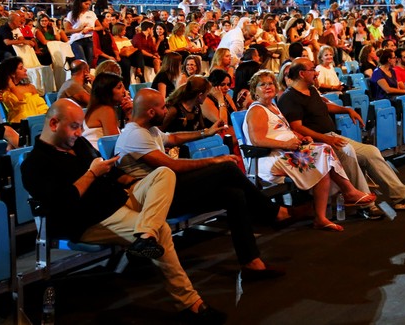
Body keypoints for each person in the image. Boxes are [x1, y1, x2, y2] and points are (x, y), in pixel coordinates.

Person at [20, 99, 227, 322]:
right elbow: (63, 203)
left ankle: (144, 235)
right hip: (91, 219)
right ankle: (191, 303)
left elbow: (110, 172)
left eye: (81, 126)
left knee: (164, 173)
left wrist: (131, 181)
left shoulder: (77, 144)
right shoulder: (34, 164)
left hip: (119, 198)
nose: (80, 132)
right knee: (163, 230)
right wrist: (92, 174)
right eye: (74, 126)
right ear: (53, 123)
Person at [115, 88, 301, 281]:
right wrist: (215, 160)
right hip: (158, 201)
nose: (167, 110)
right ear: (151, 112)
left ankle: (251, 263)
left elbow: (174, 138)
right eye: (163, 107)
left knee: (233, 195)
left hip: (170, 190)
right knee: (226, 169)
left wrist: (206, 132)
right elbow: (172, 166)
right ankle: (274, 213)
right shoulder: (134, 136)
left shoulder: (149, 130)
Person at [278, 58, 405, 212]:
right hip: (317, 143)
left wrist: (347, 109)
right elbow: (296, 127)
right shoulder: (289, 97)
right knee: (348, 153)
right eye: (313, 69)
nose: (316, 73)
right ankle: (366, 205)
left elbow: (324, 106)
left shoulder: (311, 90)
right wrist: (326, 138)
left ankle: (402, 197)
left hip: (331, 137)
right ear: (302, 73)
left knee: (371, 152)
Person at [243, 70, 375, 232]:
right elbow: (257, 140)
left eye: (270, 83)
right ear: (254, 90)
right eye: (262, 85)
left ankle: (322, 216)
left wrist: (301, 137)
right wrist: (286, 145)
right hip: (270, 158)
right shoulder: (257, 109)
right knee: (324, 152)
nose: (268, 87)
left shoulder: (273, 107)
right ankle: (349, 192)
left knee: (323, 156)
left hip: (287, 152)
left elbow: (283, 131)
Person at [0, 56, 49, 124]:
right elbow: (20, 101)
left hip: (37, 120)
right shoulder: (5, 92)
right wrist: (12, 85)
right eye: (21, 68)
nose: (25, 70)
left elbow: (40, 105)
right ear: (12, 73)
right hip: (19, 123)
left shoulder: (30, 87)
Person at [82, 71, 133, 148]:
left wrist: (128, 114)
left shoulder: (101, 108)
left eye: (123, 86)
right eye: (119, 87)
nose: (124, 91)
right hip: (98, 157)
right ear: (107, 92)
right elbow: (117, 144)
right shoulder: (105, 110)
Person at [65, 0, 102, 65]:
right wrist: (80, 29)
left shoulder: (91, 14)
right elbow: (67, 30)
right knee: (82, 62)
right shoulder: (72, 14)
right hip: (77, 40)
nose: (88, 6)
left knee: (89, 62)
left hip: (89, 39)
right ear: (80, 3)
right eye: (86, 4)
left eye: (89, 4)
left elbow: (100, 27)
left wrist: (92, 29)